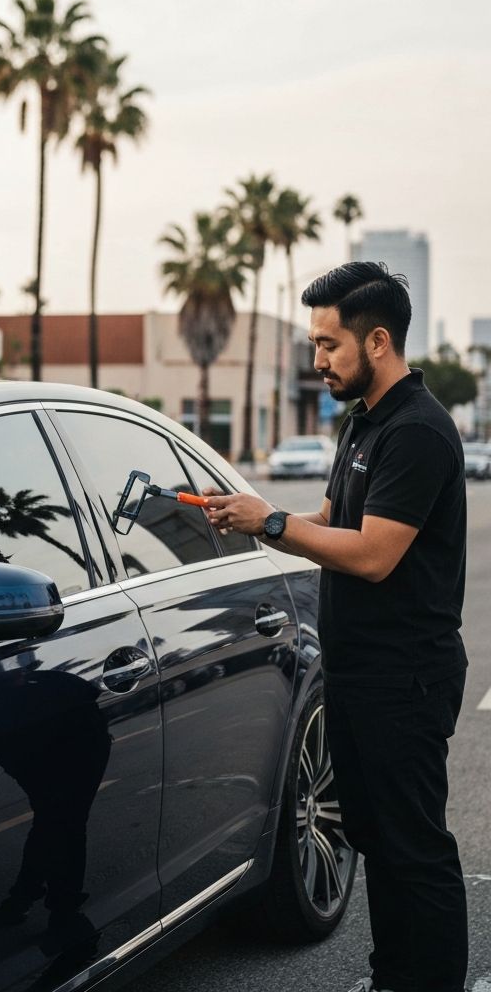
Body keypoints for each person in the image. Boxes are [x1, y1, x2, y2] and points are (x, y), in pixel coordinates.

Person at [203, 262, 468, 992]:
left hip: (405, 679)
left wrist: (273, 523)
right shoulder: (363, 422)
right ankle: (394, 976)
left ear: (377, 341)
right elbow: (331, 520)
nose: (317, 360)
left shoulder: (417, 431)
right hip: (357, 673)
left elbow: (375, 555)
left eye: (329, 345)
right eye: (315, 344)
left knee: (414, 849)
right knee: (377, 840)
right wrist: (249, 516)